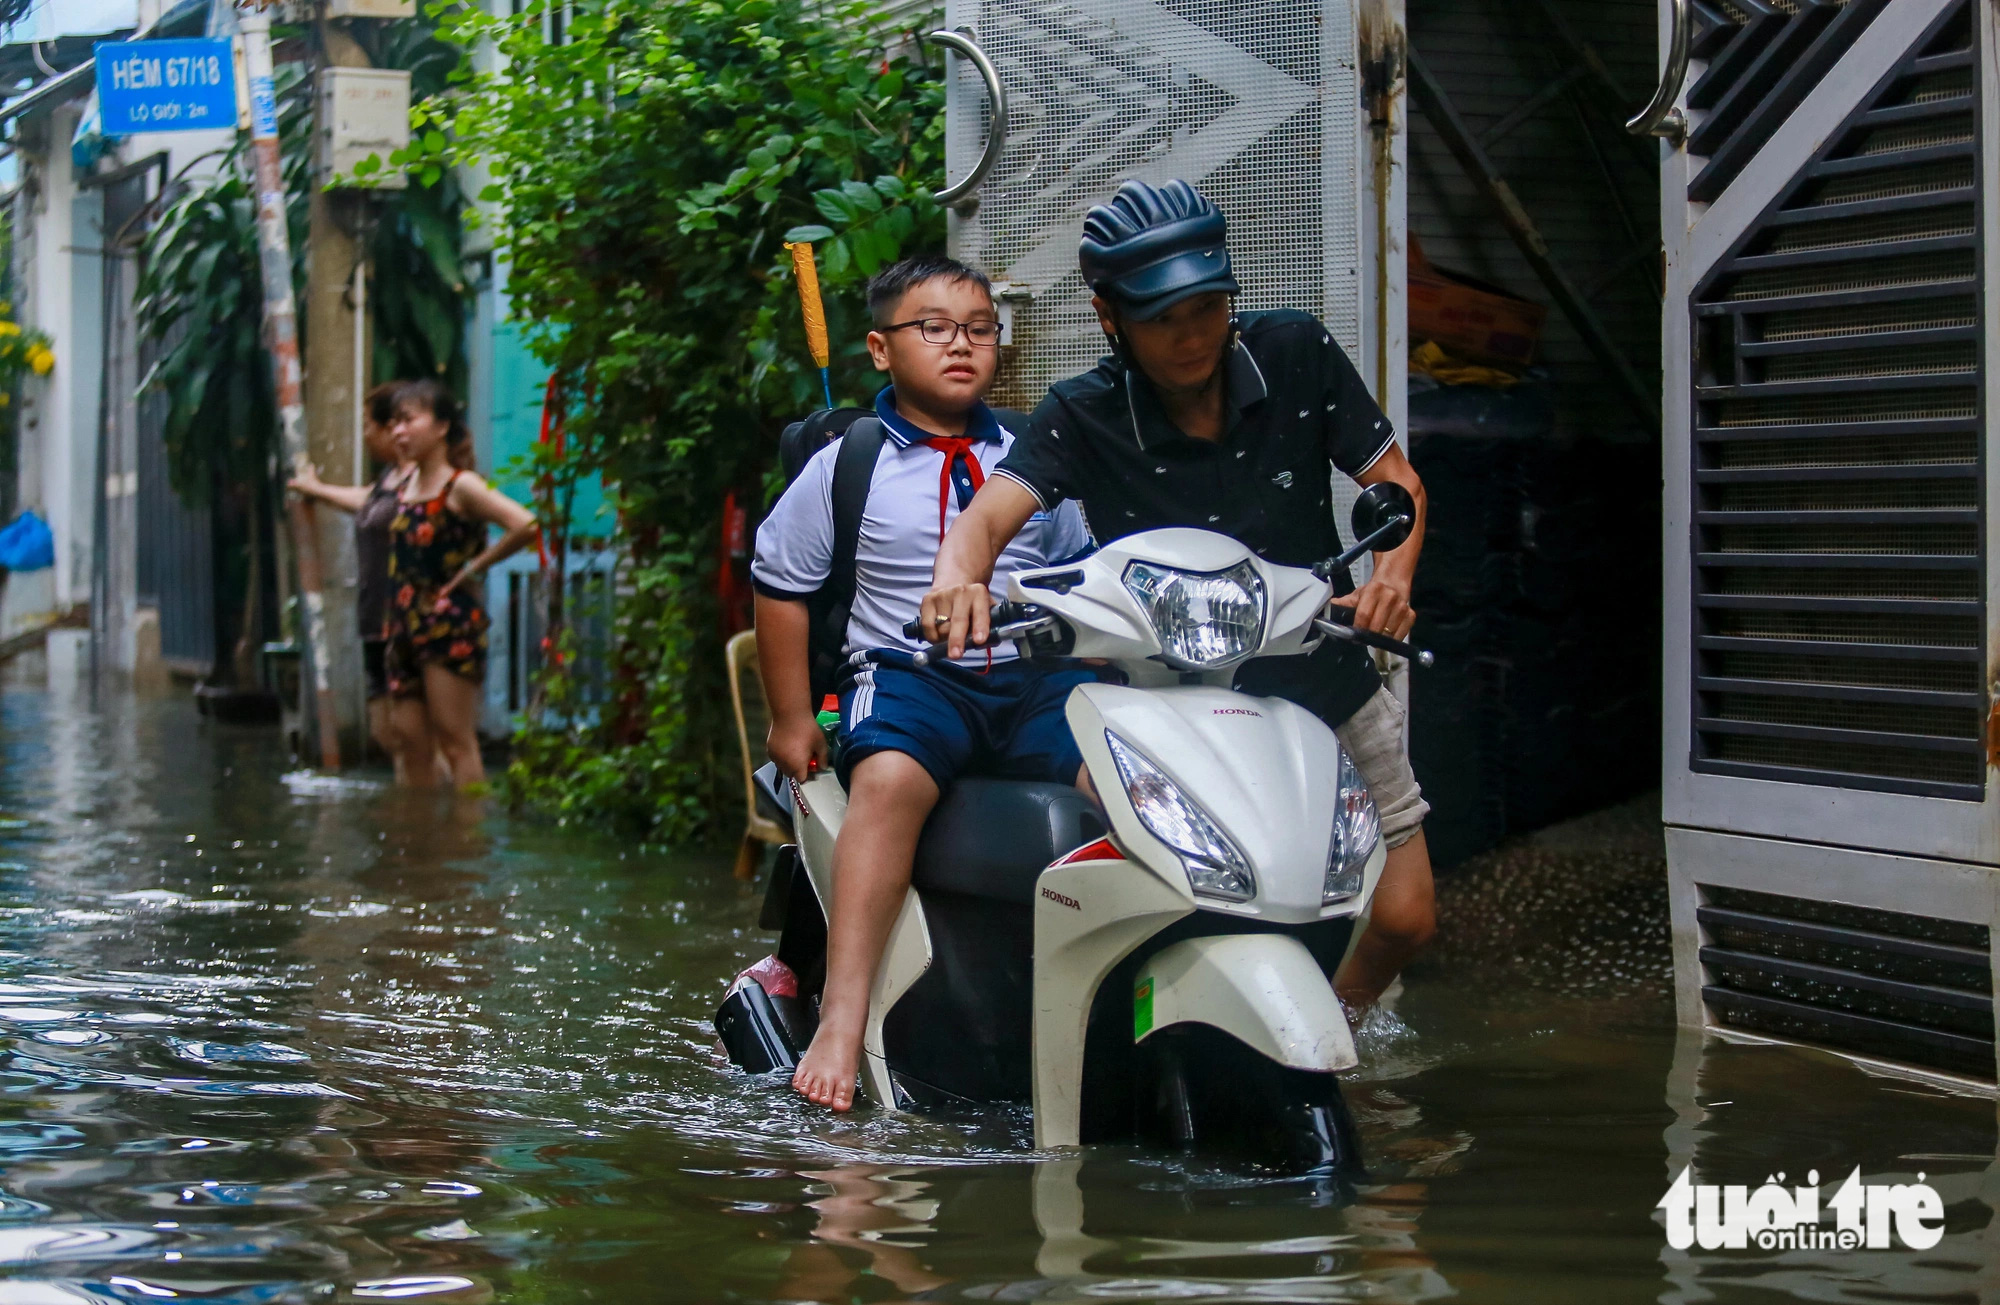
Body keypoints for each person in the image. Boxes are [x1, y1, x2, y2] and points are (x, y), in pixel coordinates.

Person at [923, 180, 1434, 1014]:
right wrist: (957, 581)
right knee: (1180, 896)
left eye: (1208, 306)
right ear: (1108, 316)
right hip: (1164, 699)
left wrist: (1392, 580)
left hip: (1315, 665)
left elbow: (1397, 484)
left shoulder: (1297, 351)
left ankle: (1339, 1026)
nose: (1192, 335)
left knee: (1407, 915)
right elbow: (983, 519)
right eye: (1162, 317)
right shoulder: (1081, 412)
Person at [752, 254, 1095, 1111]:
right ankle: (842, 1014)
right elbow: (781, 583)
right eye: (934, 328)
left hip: (1028, 678)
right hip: (907, 677)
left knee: (1122, 774)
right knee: (890, 782)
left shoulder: (1034, 456)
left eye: (980, 329)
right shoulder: (849, 461)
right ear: (879, 348)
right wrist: (790, 716)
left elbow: (1083, 571)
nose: (962, 346)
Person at [381, 380, 538, 790]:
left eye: (409, 421)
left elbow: (526, 524)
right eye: (394, 423)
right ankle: (421, 844)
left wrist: (473, 569)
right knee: (409, 739)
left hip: (448, 624)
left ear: (441, 427)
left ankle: (469, 844)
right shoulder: (403, 486)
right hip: (403, 624)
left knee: (455, 741)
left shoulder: (461, 485)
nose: (398, 432)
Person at [289, 382, 439, 783]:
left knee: (415, 736)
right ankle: (412, 819)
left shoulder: (427, 480)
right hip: (376, 619)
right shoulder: (390, 482)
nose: (368, 436)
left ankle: (439, 814)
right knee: (387, 732)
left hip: (404, 622)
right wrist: (318, 491)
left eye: (370, 426)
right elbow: (370, 502)